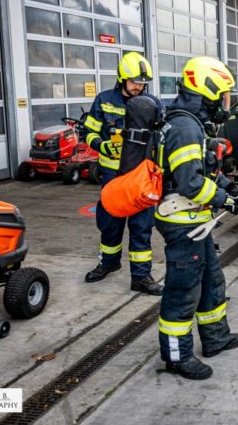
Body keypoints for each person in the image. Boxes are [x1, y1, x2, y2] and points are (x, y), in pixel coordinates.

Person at [155, 56, 238, 380]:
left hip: (195, 220)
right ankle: (176, 357)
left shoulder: (188, 123)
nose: (226, 103)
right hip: (182, 222)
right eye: (223, 95)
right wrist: (224, 199)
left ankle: (215, 339)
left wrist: (229, 188)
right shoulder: (183, 127)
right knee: (183, 291)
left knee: (211, 282)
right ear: (206, 92)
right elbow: (189, 183)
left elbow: (202, 171)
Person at [83, 52, 163, 296]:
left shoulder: (152, 103)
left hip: (140, 177)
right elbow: (88, 132)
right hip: (112, 176)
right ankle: (108, 263)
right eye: (134, 82)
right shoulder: (104, 100)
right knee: (110, 223)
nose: (138, 86)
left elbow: (161, 137)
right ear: (122, 79)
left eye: (142, 82)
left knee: (141, 226)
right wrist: (100, 145)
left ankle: (140, 276)